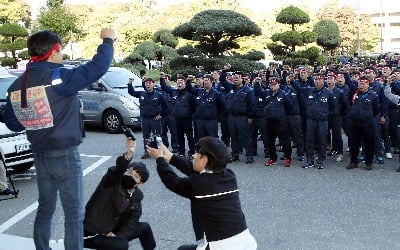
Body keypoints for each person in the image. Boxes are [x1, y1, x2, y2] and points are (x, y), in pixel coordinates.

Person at [1, 28, 115, 250]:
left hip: (40, 153)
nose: (61, 55)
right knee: (74, 212)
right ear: (53, 51)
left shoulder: (18, 85)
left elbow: (13, 123)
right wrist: (107, 40)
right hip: (64, 153)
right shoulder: (58, 77)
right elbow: (98, 67)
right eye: (60, 50)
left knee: (46, 207)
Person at [146, 136, 257, 250]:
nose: (193, 156)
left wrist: (159, 159)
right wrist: (169, 156)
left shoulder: (198, 184)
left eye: (196, 153)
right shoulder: (229, 175)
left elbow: (171, 181)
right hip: (246, 243)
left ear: (204, 160)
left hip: (222, 246)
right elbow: (196, 171)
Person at [84, 138, 156, 250]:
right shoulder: (111, 183)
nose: (131, 175)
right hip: (93, 234)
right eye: (130, 171)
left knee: (145, 227)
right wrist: (129, 153)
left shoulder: (137, 195)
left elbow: (134, 218)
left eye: (135, 176)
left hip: (113, 231)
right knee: (121, 245)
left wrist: (118, 235)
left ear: (139, 183)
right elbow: (116, 170)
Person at [128, 77, 168, 159]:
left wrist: (161, 115)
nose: (148, 84)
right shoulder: (142, 94)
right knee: (146, 137)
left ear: (153, 84)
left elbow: (166, 107)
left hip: (155, 119)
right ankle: (147, 152)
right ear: (145, 85)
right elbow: (131, 92)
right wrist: (130, 83)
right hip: (145, 119)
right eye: (147, 83)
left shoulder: (158, 95)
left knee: (158, 137)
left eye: (150, 83)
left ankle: (160, 152)